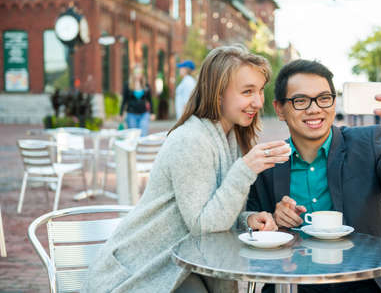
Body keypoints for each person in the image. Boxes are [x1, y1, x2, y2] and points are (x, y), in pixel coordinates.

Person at [82, 45, 290, 293]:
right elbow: (204, 227)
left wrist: (248, 221)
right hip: (137, 273)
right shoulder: (191, 139)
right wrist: (245, 169)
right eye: (247, 91)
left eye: (259, 91)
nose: (257, 102)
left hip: (178, 265)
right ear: (218, 93)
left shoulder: (231, 137)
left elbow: (216, 215)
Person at [247, 59, 381, 293]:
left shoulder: (367, 142)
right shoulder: (267, 163)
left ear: (333, 102)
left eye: (323, 98)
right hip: (294, 282)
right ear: (279, 109)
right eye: (300, 101)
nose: (314, 108)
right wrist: (272, 220)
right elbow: (250, 227)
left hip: (367, 281)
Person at [120, 64, 154, 136]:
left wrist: (152, 113)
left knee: (143, 135)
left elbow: (150, 100)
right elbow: (124, 100)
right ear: (133, 73)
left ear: (142, 74)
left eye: (139, 72)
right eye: (136, 72)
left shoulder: (146, 85)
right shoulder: (127, 85)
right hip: (131, 114)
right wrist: (121, 113)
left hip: (144, 114)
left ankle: (141, 147)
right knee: (133, 136)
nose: (138, 74)